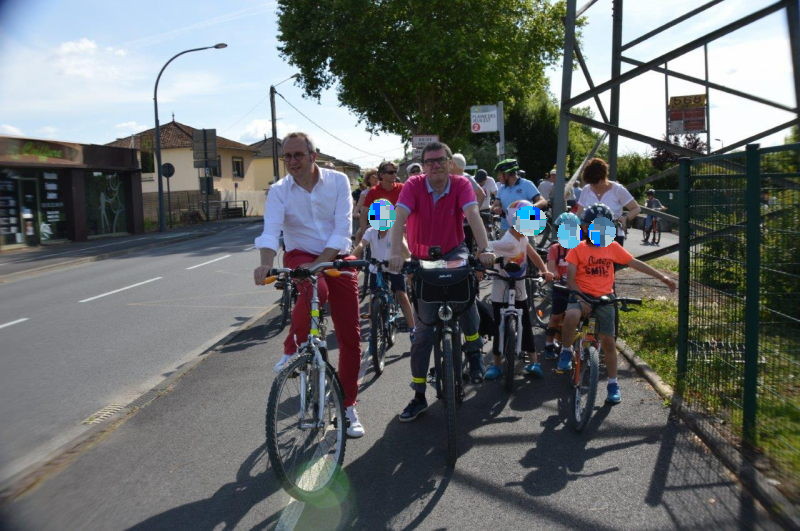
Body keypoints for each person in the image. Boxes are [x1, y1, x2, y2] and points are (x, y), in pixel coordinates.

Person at [253, 131, 366, 438]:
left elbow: (343, 228)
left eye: (298, 155)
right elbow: (270, 230)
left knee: (350, 337)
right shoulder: (279, 190)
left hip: (337, 254)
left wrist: (322, 262)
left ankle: (348, 406)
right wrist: (265, 262)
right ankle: (293, 347)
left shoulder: (338, 181)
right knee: (318, 287)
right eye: (287, 156)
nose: (292, 161)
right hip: (299, 253)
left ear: (313, 156)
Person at [387, 141, 496, 422]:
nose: (434, 165)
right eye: (429, 161)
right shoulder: (413, 185)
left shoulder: (460, 184)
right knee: (423, 334)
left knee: (467, 295)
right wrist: (396, 253)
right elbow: (399, 219)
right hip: (422, 257)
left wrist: (483, 250)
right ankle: (419, 395)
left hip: (453, 251)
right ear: (423, 166)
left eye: (439, 160)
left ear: (450, 162)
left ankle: (473, 353)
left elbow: (473, 215)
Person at [557, 203, 676, 404]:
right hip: (581, 296)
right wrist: (579, 298)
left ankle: (613, 383)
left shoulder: (612, 247)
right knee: (571, 315)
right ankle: (567, 350)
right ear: (585, 228)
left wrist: (662, 277)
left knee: (609, 342)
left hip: (605, 298)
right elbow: (570, 279)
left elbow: (634, 263)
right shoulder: (577, 249)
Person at [486, 200, 553, 380]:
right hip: (501, 287)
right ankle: (497, 363)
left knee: (525, 324)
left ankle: (533, 361)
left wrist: (544, 270)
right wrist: (485, 261)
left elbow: (534, 255)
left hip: (520, 285)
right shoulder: (506, 241)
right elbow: (486, 248)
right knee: (499, 326)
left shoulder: (522, 237)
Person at [351, 204, 415, 338]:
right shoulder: (371, 231)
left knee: (401, 295)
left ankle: (412, 328)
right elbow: (362, 245)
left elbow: (406, 251)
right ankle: (372, 326)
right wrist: (352, 257)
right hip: (377, 268)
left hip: (394, 268)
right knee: (374, 296)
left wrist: (407, 260)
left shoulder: (394, 231)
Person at [536, 212, 581, 363]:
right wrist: (555, 274)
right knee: (555, 316)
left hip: (577, 288)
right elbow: (551, 267)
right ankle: (548, 344)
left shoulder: (581, 248)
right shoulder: (555, 248)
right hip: (560, 286)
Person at [575, 158, 640, 246]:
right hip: (589, 237)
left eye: (595, 183)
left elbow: (636, 208)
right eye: (591, 183)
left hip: (612, 236)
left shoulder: (617, 189)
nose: (593, 186)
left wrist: (625, 218)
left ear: (604, 177)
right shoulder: (586, 189)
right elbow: (579, 214)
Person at [492, 159, 548, 232]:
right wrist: (496, 208)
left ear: (507, 173)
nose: (498, 177)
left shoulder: (526, 184)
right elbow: (495, 205)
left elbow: (543, 201)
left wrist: (531, 208)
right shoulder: (502, 188)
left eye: (499, 174)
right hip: (506, 229)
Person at [356, 161, 404, 241]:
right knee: (359, 234)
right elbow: (364, 213)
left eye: (395, 172)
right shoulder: (373, 191)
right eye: (390, 172)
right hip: (380, 228)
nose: (394, 175)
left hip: (399, 228)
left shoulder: (403, 188)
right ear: (381, 175)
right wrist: (365, 235)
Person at [355, 168, 379, 234]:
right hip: (368, 221)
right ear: (368, 179)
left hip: (383, 221)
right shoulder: (364, 193)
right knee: (359, 235)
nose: (376, 178)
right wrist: (357, 213)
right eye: (373, 176)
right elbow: (358, 208)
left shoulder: (385, 191)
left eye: (378, 176)